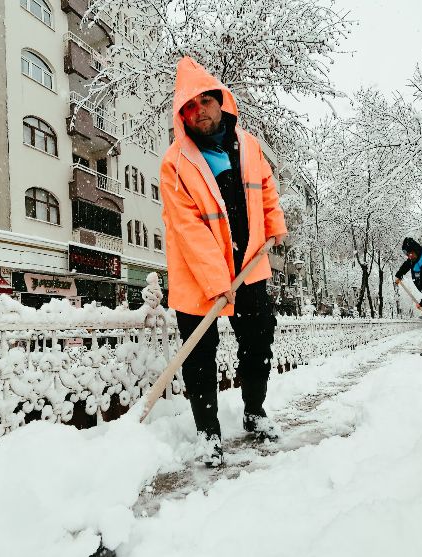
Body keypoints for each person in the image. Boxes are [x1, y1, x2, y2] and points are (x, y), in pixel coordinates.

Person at [159, 57, 288, 467]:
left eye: (206, 102)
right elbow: (189, 230)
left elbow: (265, 189)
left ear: (220, 101)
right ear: (183, 115)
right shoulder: (174, 163)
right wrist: (218, 281)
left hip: (249, 267)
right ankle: (207, 436)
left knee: (258, 344)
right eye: (190, 107)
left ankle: (254, 411)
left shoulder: (247, 146)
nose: (201, 112)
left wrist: (275, 224)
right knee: (200, 359)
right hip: (198, 278)